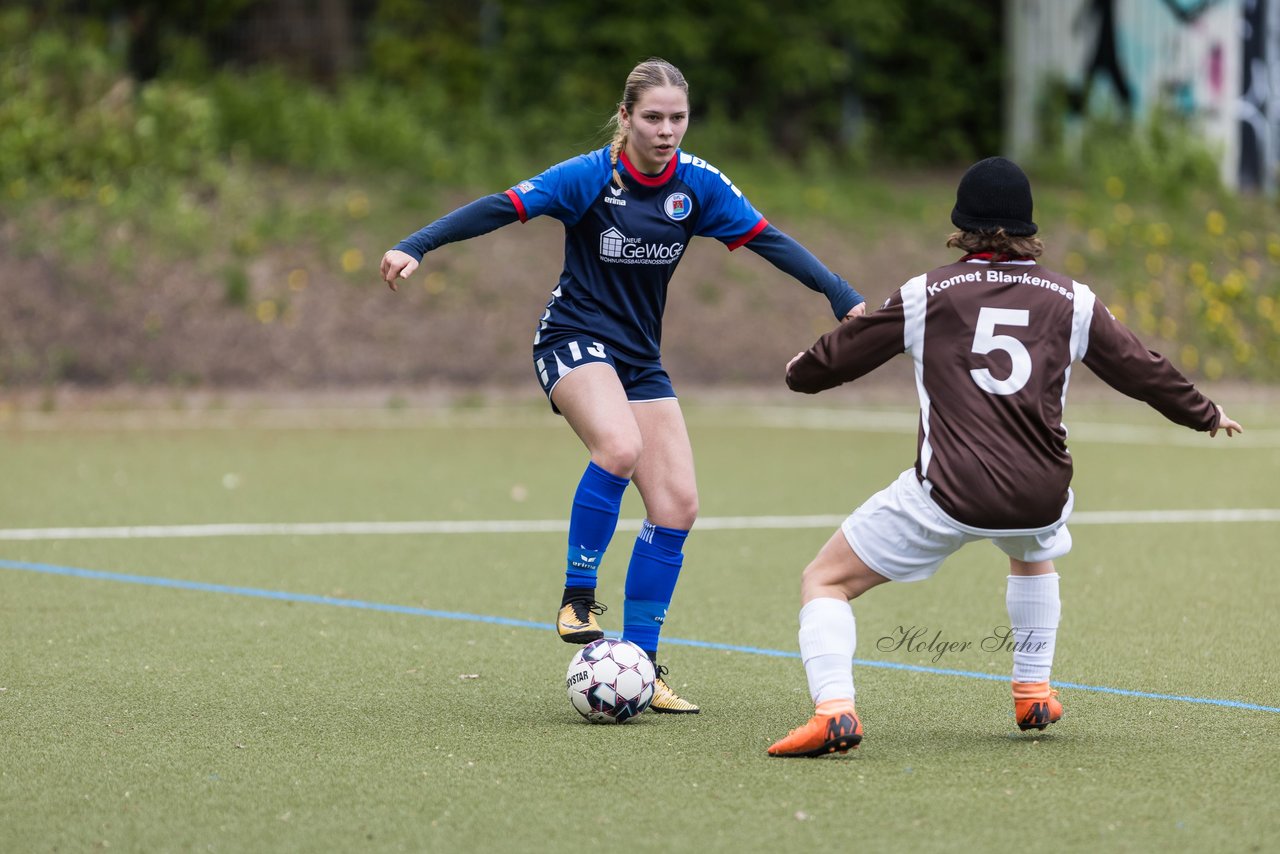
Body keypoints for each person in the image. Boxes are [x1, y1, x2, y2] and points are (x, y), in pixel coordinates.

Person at [381, 57, 865, 714]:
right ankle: (578, 598)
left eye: (678, 118)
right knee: (618, 446)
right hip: (570, 340)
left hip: (637, 359)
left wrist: (841, 296)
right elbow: (501, 207)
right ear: (626, 117)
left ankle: (641, 664)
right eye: (653, 117)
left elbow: (769, 241)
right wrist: (417, 245)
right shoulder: (587, 177)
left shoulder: (698, 186)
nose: (667, 130)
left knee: (678, 508)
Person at [766, 156, 1243, 756]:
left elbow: (837, 360)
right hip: (1042, 493)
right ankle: (1033, 690)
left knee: (825, 580)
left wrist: (798, 372)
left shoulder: (927, 292)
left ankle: (834, 709)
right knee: (1033, 546)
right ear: (1029, 228)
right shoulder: (1073, 299)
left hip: (950, 492)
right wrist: (1203, 412)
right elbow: (1140, 369)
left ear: (960, 225)